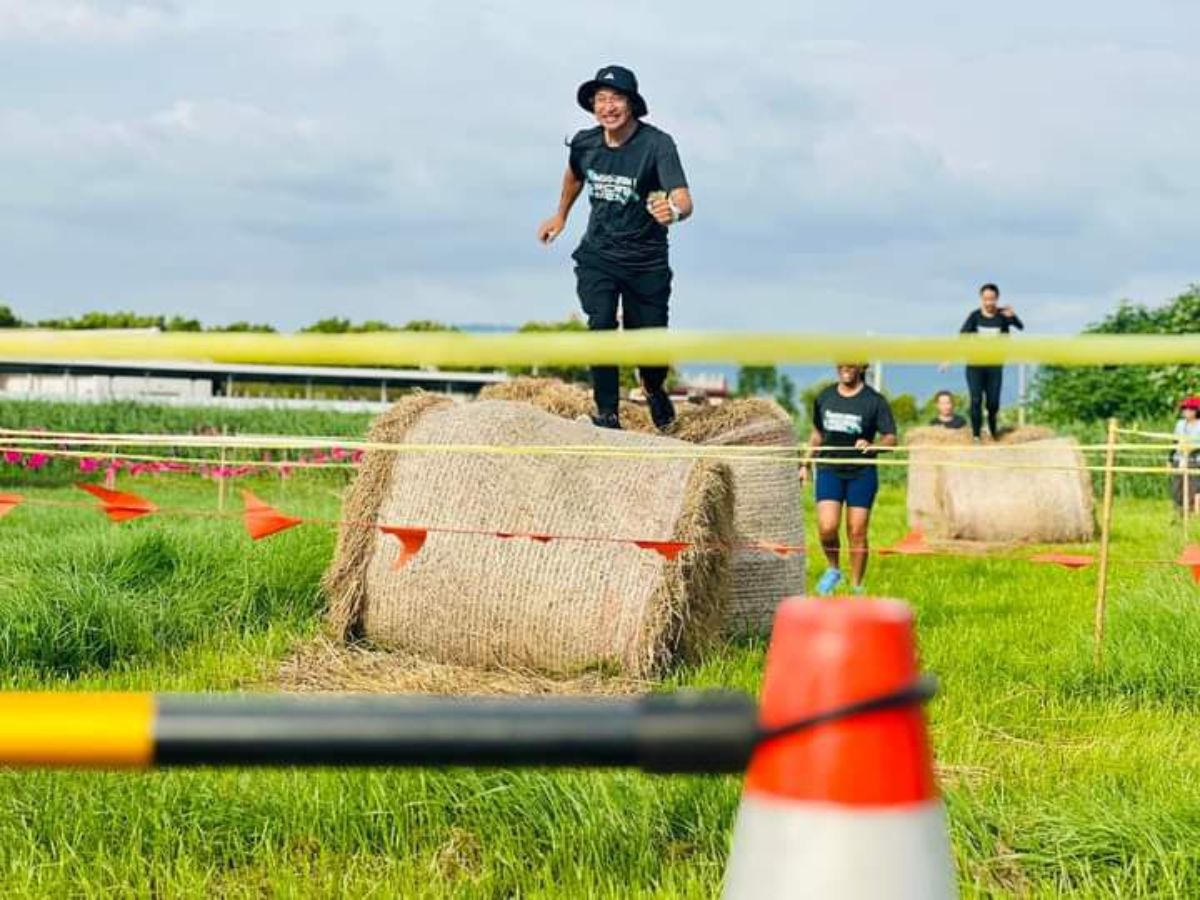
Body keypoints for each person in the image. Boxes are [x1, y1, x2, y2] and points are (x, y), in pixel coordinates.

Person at [536, 65, 693, 431]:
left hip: (646, 263)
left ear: (632, 104)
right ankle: (606, 412)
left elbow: (684, 199)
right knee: (601, 325)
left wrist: (671, 211)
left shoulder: (657, 145)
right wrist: (560, 215)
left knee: (648, 342)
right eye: (600, 100)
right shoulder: (585, 143)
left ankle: (653, 387)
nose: (607, 107)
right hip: (598, 256)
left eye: (615, 99)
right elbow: (574, 173)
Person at [802, 363, 897, 595]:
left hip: (861, 472)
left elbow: (891, 438)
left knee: (857, 531)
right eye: (842, 363)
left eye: (851, 363)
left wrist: (873, 446)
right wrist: (804, 464)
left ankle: (856, 586)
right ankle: (834, 570)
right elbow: (816, 435)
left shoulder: (874, 400)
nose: (846, 367)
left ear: (860, 367)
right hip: (829, 468)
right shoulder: (825, 396)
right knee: (827, 527)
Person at [960, 283, 1023, 441]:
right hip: (975, 365)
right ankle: (976, 435)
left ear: (997, 299)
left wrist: (1013, 316)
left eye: (992, 299)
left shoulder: (1003, 316)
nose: (989, 303)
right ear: (981, 299)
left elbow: (1020, 327)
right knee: (976, 399)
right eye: (986, 299)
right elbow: (962, 336)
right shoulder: (975, 316)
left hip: (994, 365)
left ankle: (992, 429)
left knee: (993, 402)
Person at [1172, 395, 1200, 514]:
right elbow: (1174, 441)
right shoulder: (1179, 424)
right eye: (1185, 408)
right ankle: (1178, 513)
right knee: (1177, 487)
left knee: (1193, 487)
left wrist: (1189, 450)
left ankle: (1191, 512)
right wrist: (1170, 459)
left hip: (1195, 459)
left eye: (1190, 409)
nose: (1187, 411)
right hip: (1179, 458)